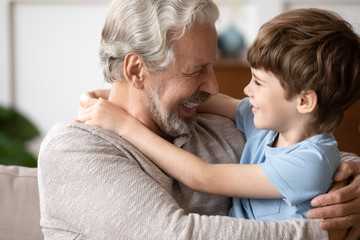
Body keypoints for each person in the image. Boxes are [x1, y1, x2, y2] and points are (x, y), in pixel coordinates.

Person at [38, 0, 360, 239]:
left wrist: (351, 183)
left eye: (213, 66)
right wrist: (319, 233)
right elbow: (176, 235)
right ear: (136, 70)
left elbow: (303, 151)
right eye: (195, 71)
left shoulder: (214, 128)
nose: (214, 87)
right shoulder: (74, 148)